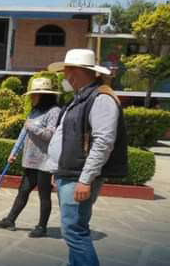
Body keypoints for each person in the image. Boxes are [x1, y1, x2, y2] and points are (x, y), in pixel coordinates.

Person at [46, 49, 128, 266]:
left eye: (66, 72)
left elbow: (103, 142)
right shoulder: (81, 97)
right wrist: (57, 170)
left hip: (77, 177)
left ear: (75, 72)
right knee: (73, 230)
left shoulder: (101, 98)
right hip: (69, 174)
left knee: (74, 232)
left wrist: (85, 179)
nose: (64, 77)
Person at [0, 77, 62, 237]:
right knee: (23, 191)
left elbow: (51, 135)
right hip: (30, 160)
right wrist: (14, 152)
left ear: (44, 95)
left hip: (45, 161)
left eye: (34, 95)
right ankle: (10, 220)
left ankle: (41, 227)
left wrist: (31, 125)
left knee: (44, 194)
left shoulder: (54, 111)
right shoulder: (34, 111)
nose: (31, 97)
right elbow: (24, 134)